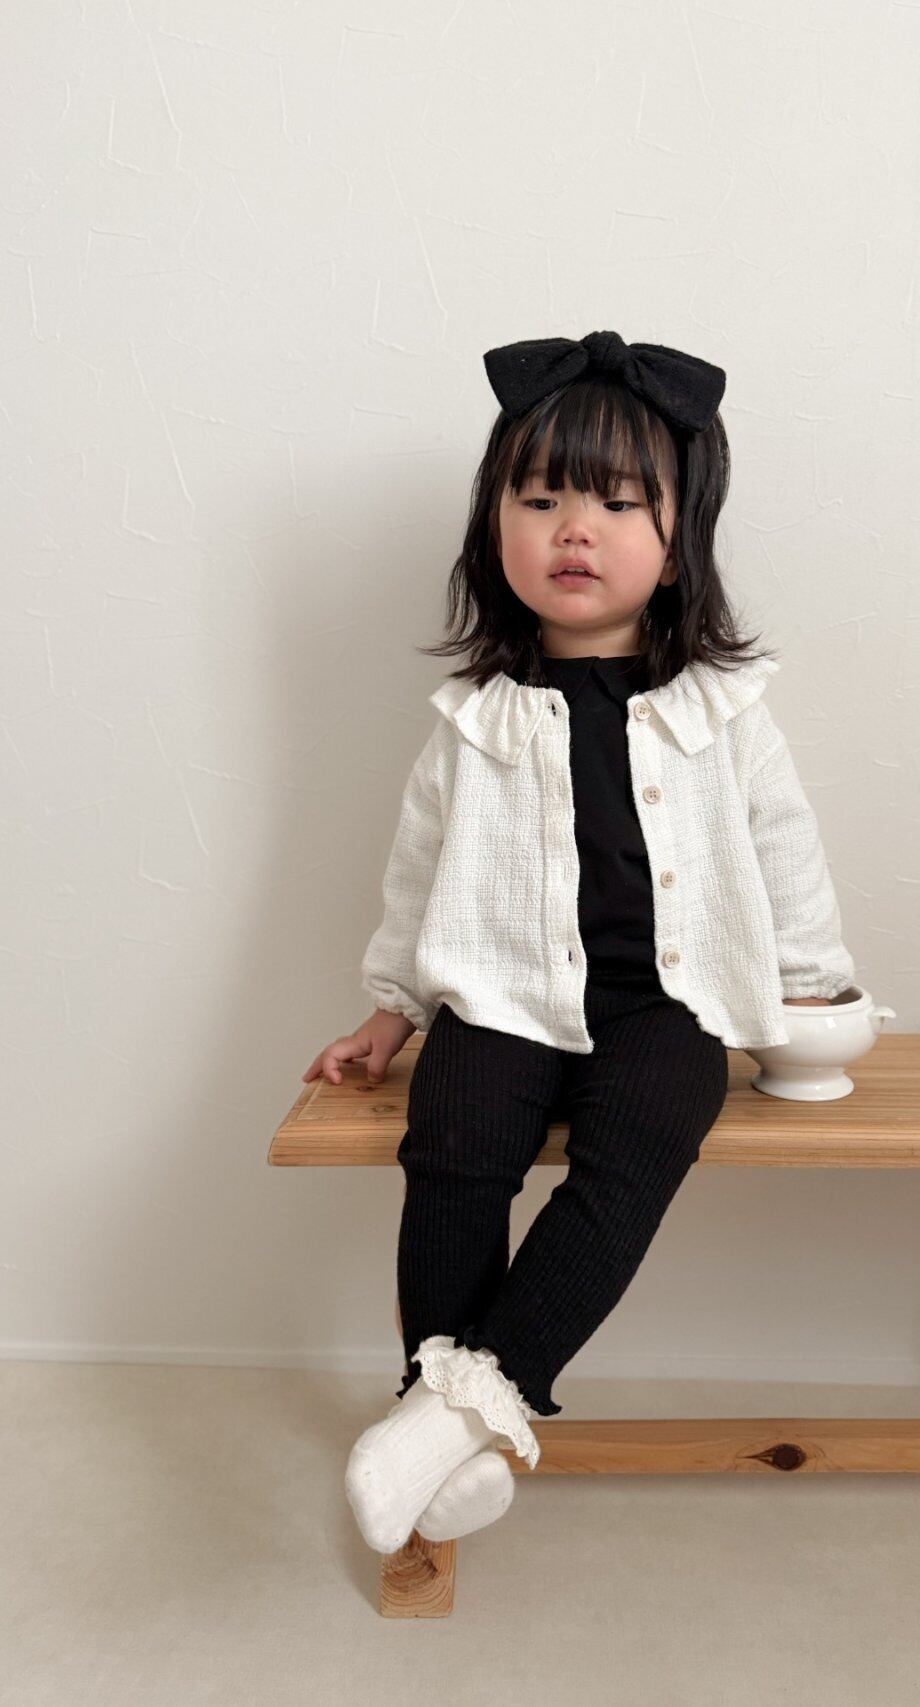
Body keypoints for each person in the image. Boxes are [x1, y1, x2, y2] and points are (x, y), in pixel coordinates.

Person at [302, 330, 858, 1554]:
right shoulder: (473, 721)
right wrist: (390, 1009)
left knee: (642, 1142)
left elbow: (784, 849)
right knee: (451, 1145)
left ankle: (447, 1420)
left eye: (615, 503)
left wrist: (814, 988)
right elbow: (418, 873)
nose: (573, 530)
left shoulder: (722, 711)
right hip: (501, 995)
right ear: (492, 529)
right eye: (540, 498)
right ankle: (446, 1435)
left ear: (675, 541)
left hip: (667, 1006)